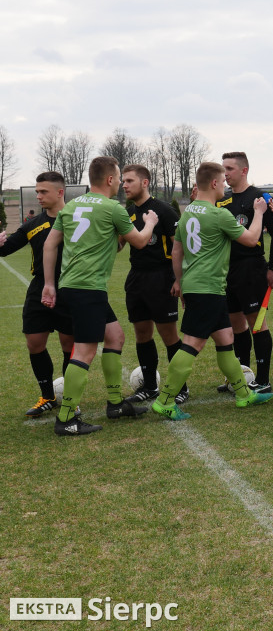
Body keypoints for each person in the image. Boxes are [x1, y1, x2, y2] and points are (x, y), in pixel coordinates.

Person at [41, 157, 159, 436]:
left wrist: (49, 284)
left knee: (115, 336)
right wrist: (151, 222)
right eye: (118, 177)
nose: (120, 182)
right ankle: (67, 418)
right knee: (84, 351)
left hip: (72, 285)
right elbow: (141, 242)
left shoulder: (71, 206)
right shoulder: (113, 208)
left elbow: (50, 244)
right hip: (88, 288)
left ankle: (116, 403)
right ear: (109, 179)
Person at [150, 162, 273, 420]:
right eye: (223, 181)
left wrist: (182, 283)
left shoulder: (187, 213)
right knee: (192, 344)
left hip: (203, 287)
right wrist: (259, 212)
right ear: (215, 183)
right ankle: (165, 400)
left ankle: (243, 395)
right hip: (208, 288)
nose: (226, 186)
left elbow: (177, 252)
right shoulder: (218, 214)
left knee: (226, 339)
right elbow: (252, 240)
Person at [0, 172, 74, 417]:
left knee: (69, 344)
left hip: (70, 288)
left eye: (43, 191)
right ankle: (47, 396)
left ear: (60, 192)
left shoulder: (76, 220)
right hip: (39, 288)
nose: (38, 196)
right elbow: (7, 248)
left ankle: (71, 399)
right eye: (37, 191)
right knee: (34, 342)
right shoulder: (33, 224)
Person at [120, 164, 188, 404]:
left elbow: (179, 246)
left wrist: (179, 279)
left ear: (145, 182)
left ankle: (181, 387)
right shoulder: (127, 212)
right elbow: (119, 244)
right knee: (141, 334)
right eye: (123, 181)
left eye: (129, 181)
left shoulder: (164, 211)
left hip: (162, 277)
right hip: (137, 278)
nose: (124, 185)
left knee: (168, 334)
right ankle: (149, 387)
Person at [219, 151, 273, 394]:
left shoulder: (259, 197)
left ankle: (264, 380)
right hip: (228, 270)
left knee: (257, 324)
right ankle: (242, 377)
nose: (225, 173)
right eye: (223, 168)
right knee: (236, 325)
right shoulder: (222, 200)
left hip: (252, 268)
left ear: (244, 170)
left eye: (230, 168)